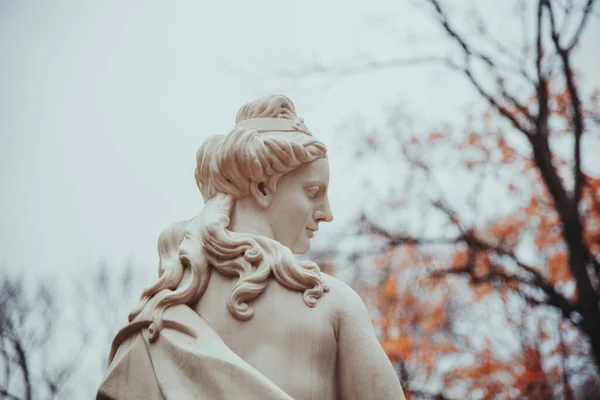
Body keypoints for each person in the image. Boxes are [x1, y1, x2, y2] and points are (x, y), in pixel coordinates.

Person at [97, 94, 405, 400]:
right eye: (312, 192)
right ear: (261, 188)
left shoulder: (152, 324)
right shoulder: (331, 305)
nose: (326, 213)